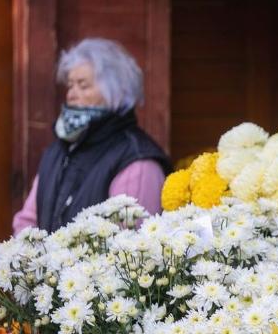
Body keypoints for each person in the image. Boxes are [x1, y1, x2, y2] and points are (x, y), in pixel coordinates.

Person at [13, 38, 171, 234]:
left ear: (116, 91)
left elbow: (131, 249)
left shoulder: (137, 161)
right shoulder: (57, 151)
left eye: (83, 85)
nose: (72, 94)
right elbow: (27, 221)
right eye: (70, 85)